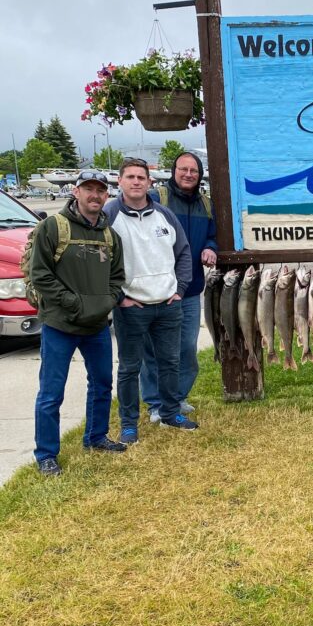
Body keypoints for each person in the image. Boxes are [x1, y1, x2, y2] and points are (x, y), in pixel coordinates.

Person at [30, 171, 126, 475]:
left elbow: (117, 277)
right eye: (89, 189)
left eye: (100, 190)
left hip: (97, 326)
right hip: (60, 325)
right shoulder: (53, 227)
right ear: (76, 191)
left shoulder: (111, 236)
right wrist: (71, 302)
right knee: (51, 393)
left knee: (101, 384)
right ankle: (46, 454)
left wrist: (107, 301)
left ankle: (96, 437)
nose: (95, 195)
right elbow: (40, 274)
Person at [104, 158, 195, 443]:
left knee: (170, 362)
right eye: (130, 177)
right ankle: (129, 423)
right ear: (120, 181)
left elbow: (183, 252)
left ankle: (170, 412)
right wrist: (119, 297)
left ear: (149, 182)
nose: (136, 182)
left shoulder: (164, 215)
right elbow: (100, 260)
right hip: (132, 307)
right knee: (130, 367)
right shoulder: (110, 215)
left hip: (168, 303)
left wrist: (179, 289)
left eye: (141, 177)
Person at [141, 152, 217, 422]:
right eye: (183, 169)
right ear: (174, 172)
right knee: (154, 350)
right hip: (157, 289)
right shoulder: (157, 199)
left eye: (194, 171)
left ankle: (177, 397)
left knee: (186, 347)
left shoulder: (206, 205)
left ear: (200, 175)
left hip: (191, 288)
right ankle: (154, 403)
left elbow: (213, 234)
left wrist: (210, 247)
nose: (188, 174)